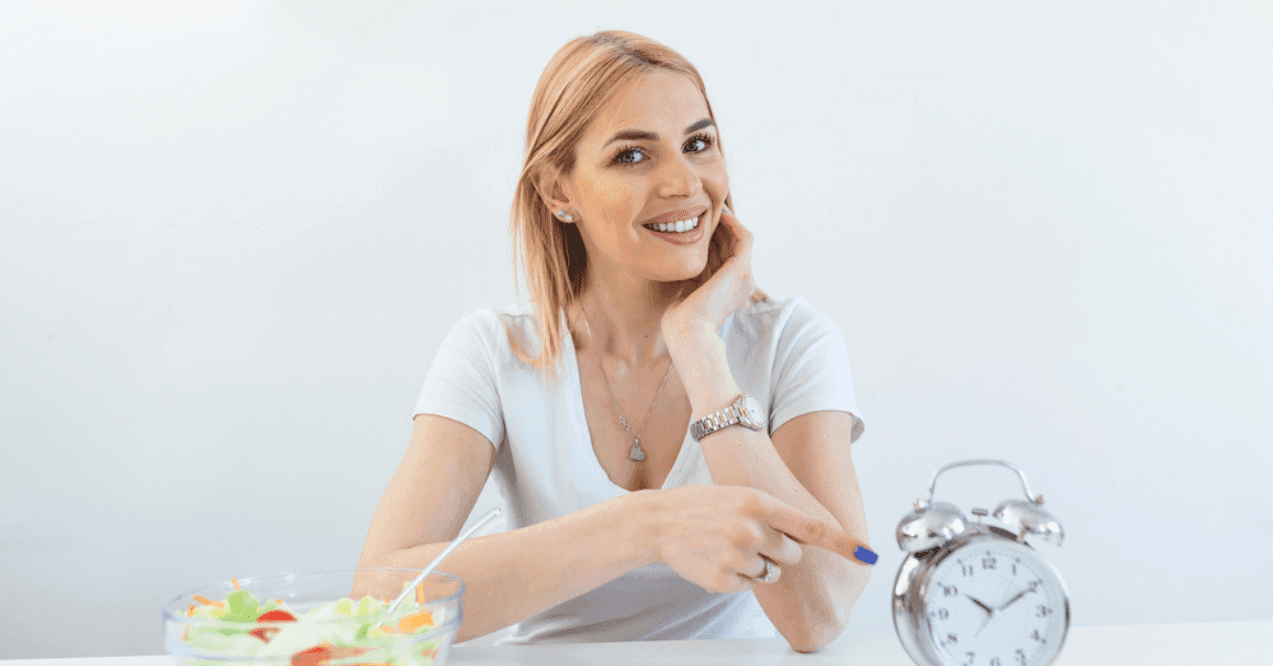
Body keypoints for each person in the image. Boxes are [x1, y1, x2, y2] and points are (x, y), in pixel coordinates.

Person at [356, 30, 876, 653]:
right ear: (557, 190)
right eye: (633, 156)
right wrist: (648, 525)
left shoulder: (793, 341)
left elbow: (816, 615)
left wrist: (698, 344)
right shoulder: (493, 352)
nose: (685, 184)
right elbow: (381, 603)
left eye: (698, 144)